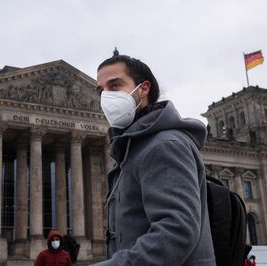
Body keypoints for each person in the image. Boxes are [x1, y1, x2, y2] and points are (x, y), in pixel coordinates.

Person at [91, 54, 216, 265]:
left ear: (143, 88)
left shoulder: (164, 145)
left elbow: (177, 231)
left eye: (114, 86)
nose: (106, 97)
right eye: (101, 91)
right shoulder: (134, 149)